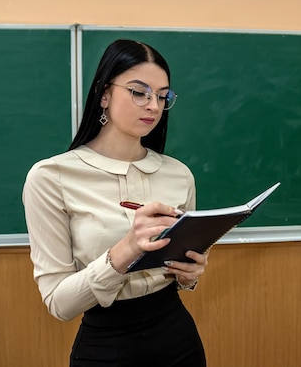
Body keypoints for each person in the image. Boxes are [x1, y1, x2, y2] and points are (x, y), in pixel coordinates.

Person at [22, 39, 208, 367]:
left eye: (162, 96)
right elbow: (58, 304)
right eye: (139, 92)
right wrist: (126, 249)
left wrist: (189, 273)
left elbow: (181, 271)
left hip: (178, 338)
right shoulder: (51, 177)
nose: (153, 105)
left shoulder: (179, 174)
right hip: (107, 348)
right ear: (104, 94)